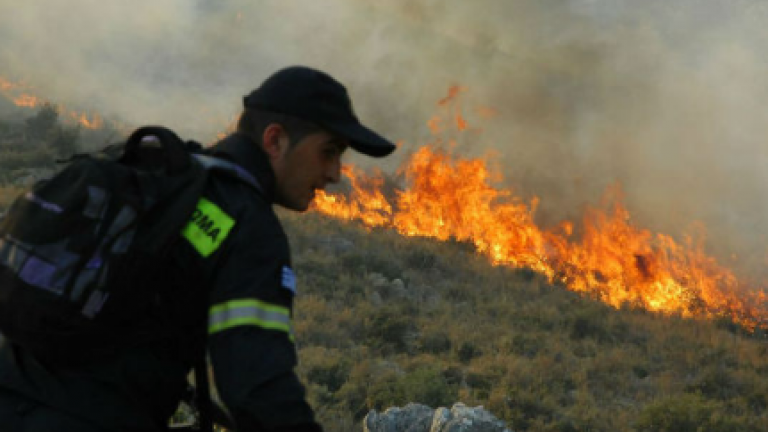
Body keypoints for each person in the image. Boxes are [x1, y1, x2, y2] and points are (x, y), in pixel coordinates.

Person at [0, 66, 397, 431]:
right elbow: (257, 387)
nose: (334, 174)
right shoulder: (246, 223)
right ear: (275, 139)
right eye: (328, 151)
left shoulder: (168, 179)